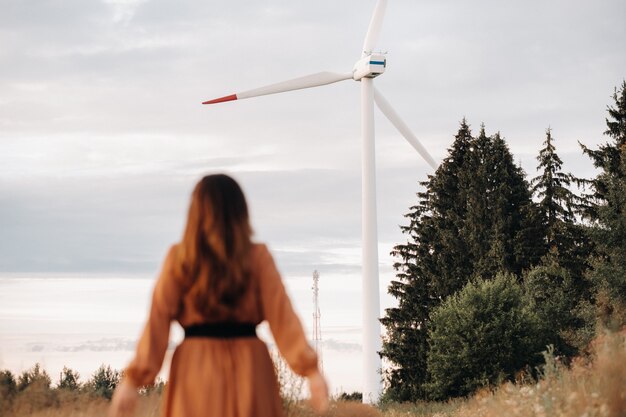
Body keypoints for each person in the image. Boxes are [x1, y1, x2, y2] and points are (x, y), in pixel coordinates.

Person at [109, 174, 328, 417]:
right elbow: (283, 318)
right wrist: (311, 371)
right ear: (241, 213)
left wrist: (133, 380)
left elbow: (157, 323)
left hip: (196, 370)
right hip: (251, 369)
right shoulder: (258, 257)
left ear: (195, 213)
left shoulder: (180, 259)